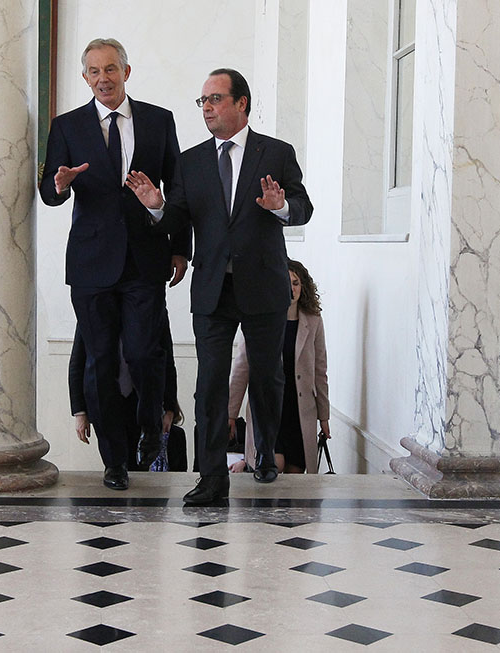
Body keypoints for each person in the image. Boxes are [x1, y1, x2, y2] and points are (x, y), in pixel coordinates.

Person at [127, 68, 313, 504]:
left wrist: (281, 204)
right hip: (212, 288)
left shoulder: (276, 153)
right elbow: (177, 219)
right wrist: (156, 207)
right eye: (203, 101)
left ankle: (265, 454)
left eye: (215, 99)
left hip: (264, 287)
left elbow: (304, 207)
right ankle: (211, 476)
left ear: (241, 103)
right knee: (209, 384)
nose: (207, 107)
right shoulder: (190, 161)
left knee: (267, 379)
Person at [40, 39, 185, 491]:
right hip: (90, 263)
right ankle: (114, 460)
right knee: (100, 361)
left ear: (127, 71)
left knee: (144, 352)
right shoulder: (67, 126)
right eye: (93, 71)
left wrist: (179, 247)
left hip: (144, 259)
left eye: (111, 69)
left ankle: (148, 428)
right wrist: (61, 185)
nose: (103, 77)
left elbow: (177, 189)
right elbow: (48, 191)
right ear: (85, 78)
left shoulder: (159, 121)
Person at [229, 259, 330, 474]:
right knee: (273, 465)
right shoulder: (258, 320)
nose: (290, 288)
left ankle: (286, 510)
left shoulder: (313, 321)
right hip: (268, 407)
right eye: (285, 282)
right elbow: (241, 368)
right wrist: (231, 413)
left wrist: (324, 417)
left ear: (303, 288)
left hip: (300, 410)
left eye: (295, 283)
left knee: (295, 473)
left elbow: (320, 371)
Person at [68, 312, 189, 476]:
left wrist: (169, 407)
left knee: (140, 464)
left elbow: (167, 361)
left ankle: (139, 500)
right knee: (114, 461)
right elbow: (78, 361)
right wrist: (80, 412)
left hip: (142, 399)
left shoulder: (150, 308)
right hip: (106, 399)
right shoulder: (93, 308)